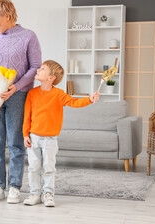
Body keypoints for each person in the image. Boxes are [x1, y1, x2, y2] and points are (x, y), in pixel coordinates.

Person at [0, 0, 42, 204]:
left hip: (18, 97)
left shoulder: (28, 36)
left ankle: (14, 187)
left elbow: (35, 67)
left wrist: (18, 85)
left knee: (16, 143)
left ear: (7, 15)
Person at [22, 60, 99, 207]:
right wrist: (25, 134)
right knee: (33, 167)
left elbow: (74, 102)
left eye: (42, 69)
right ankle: (34, 193)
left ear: (51, 78)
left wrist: (89, 99)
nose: (38, 69)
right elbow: (27, 115)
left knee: (49, 168)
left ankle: (48, 194)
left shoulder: (59, 94)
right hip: (34, 137)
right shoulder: (32, 93)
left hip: (50, 139)